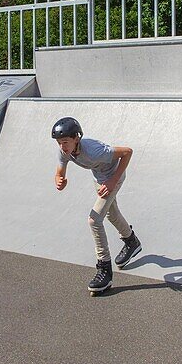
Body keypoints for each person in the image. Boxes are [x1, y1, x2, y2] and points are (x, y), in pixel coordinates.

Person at [52, 117, 142, 295]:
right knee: (111, 214)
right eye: (59, 143)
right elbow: (59, 171)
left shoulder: (95, 151)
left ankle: (104, 269)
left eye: (65, 142)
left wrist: (112, 181)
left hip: (113, 176)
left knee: (94, 220)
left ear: (76, 138)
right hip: (99, 179)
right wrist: (59, 180)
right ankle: (131, 241)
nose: (62, 146)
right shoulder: (64, 151)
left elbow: (127, 152)